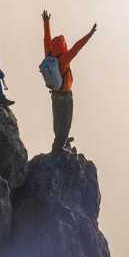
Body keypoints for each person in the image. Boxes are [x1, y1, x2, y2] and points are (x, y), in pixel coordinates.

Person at [42, 10, 96, 152]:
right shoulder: (64, 60)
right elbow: (77, 47)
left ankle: (61, 141)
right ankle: (60, 147)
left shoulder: (49, 53)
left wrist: (46, 22)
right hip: (65, 96)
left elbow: (46, 39)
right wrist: (89, 35)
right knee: (65, 123)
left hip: (54, 94)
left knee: (57, 121)